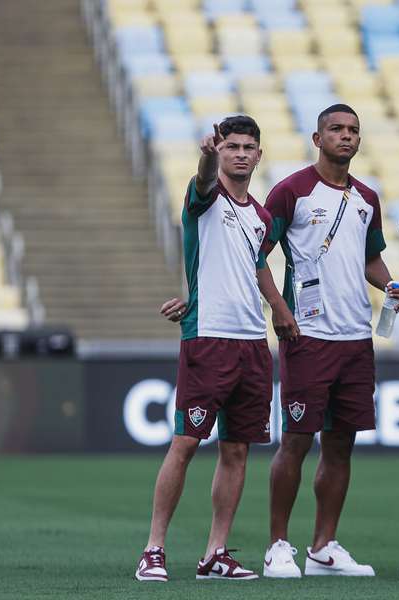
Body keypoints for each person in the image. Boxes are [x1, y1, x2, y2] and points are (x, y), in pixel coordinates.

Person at [136, 115, 293, 582]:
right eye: (231, 147)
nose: (240, 153)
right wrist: (205, 155)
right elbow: (203, 181)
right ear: (220, 152)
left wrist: (277, 305)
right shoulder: (204, 198)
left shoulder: (260, 215)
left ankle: (215, 553)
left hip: (252, 344)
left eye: (248, 147)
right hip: (208, 337)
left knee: (237, 450)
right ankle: (154, 549)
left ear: (259, 155)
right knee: (185, 442)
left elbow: (255, 262)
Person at [258, 104, 399, 578]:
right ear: (317, 137)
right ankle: (278, 545)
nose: (346, 136)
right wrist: (280, 311)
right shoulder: (292, 191)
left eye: (353, 131)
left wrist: (389, 285)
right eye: (336, 129)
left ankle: (324, 546)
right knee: (297, 440)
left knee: (341, 443)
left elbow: (370, 258)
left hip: (355, 338)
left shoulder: (366, 197)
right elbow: (256, 254)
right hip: (308, 334)